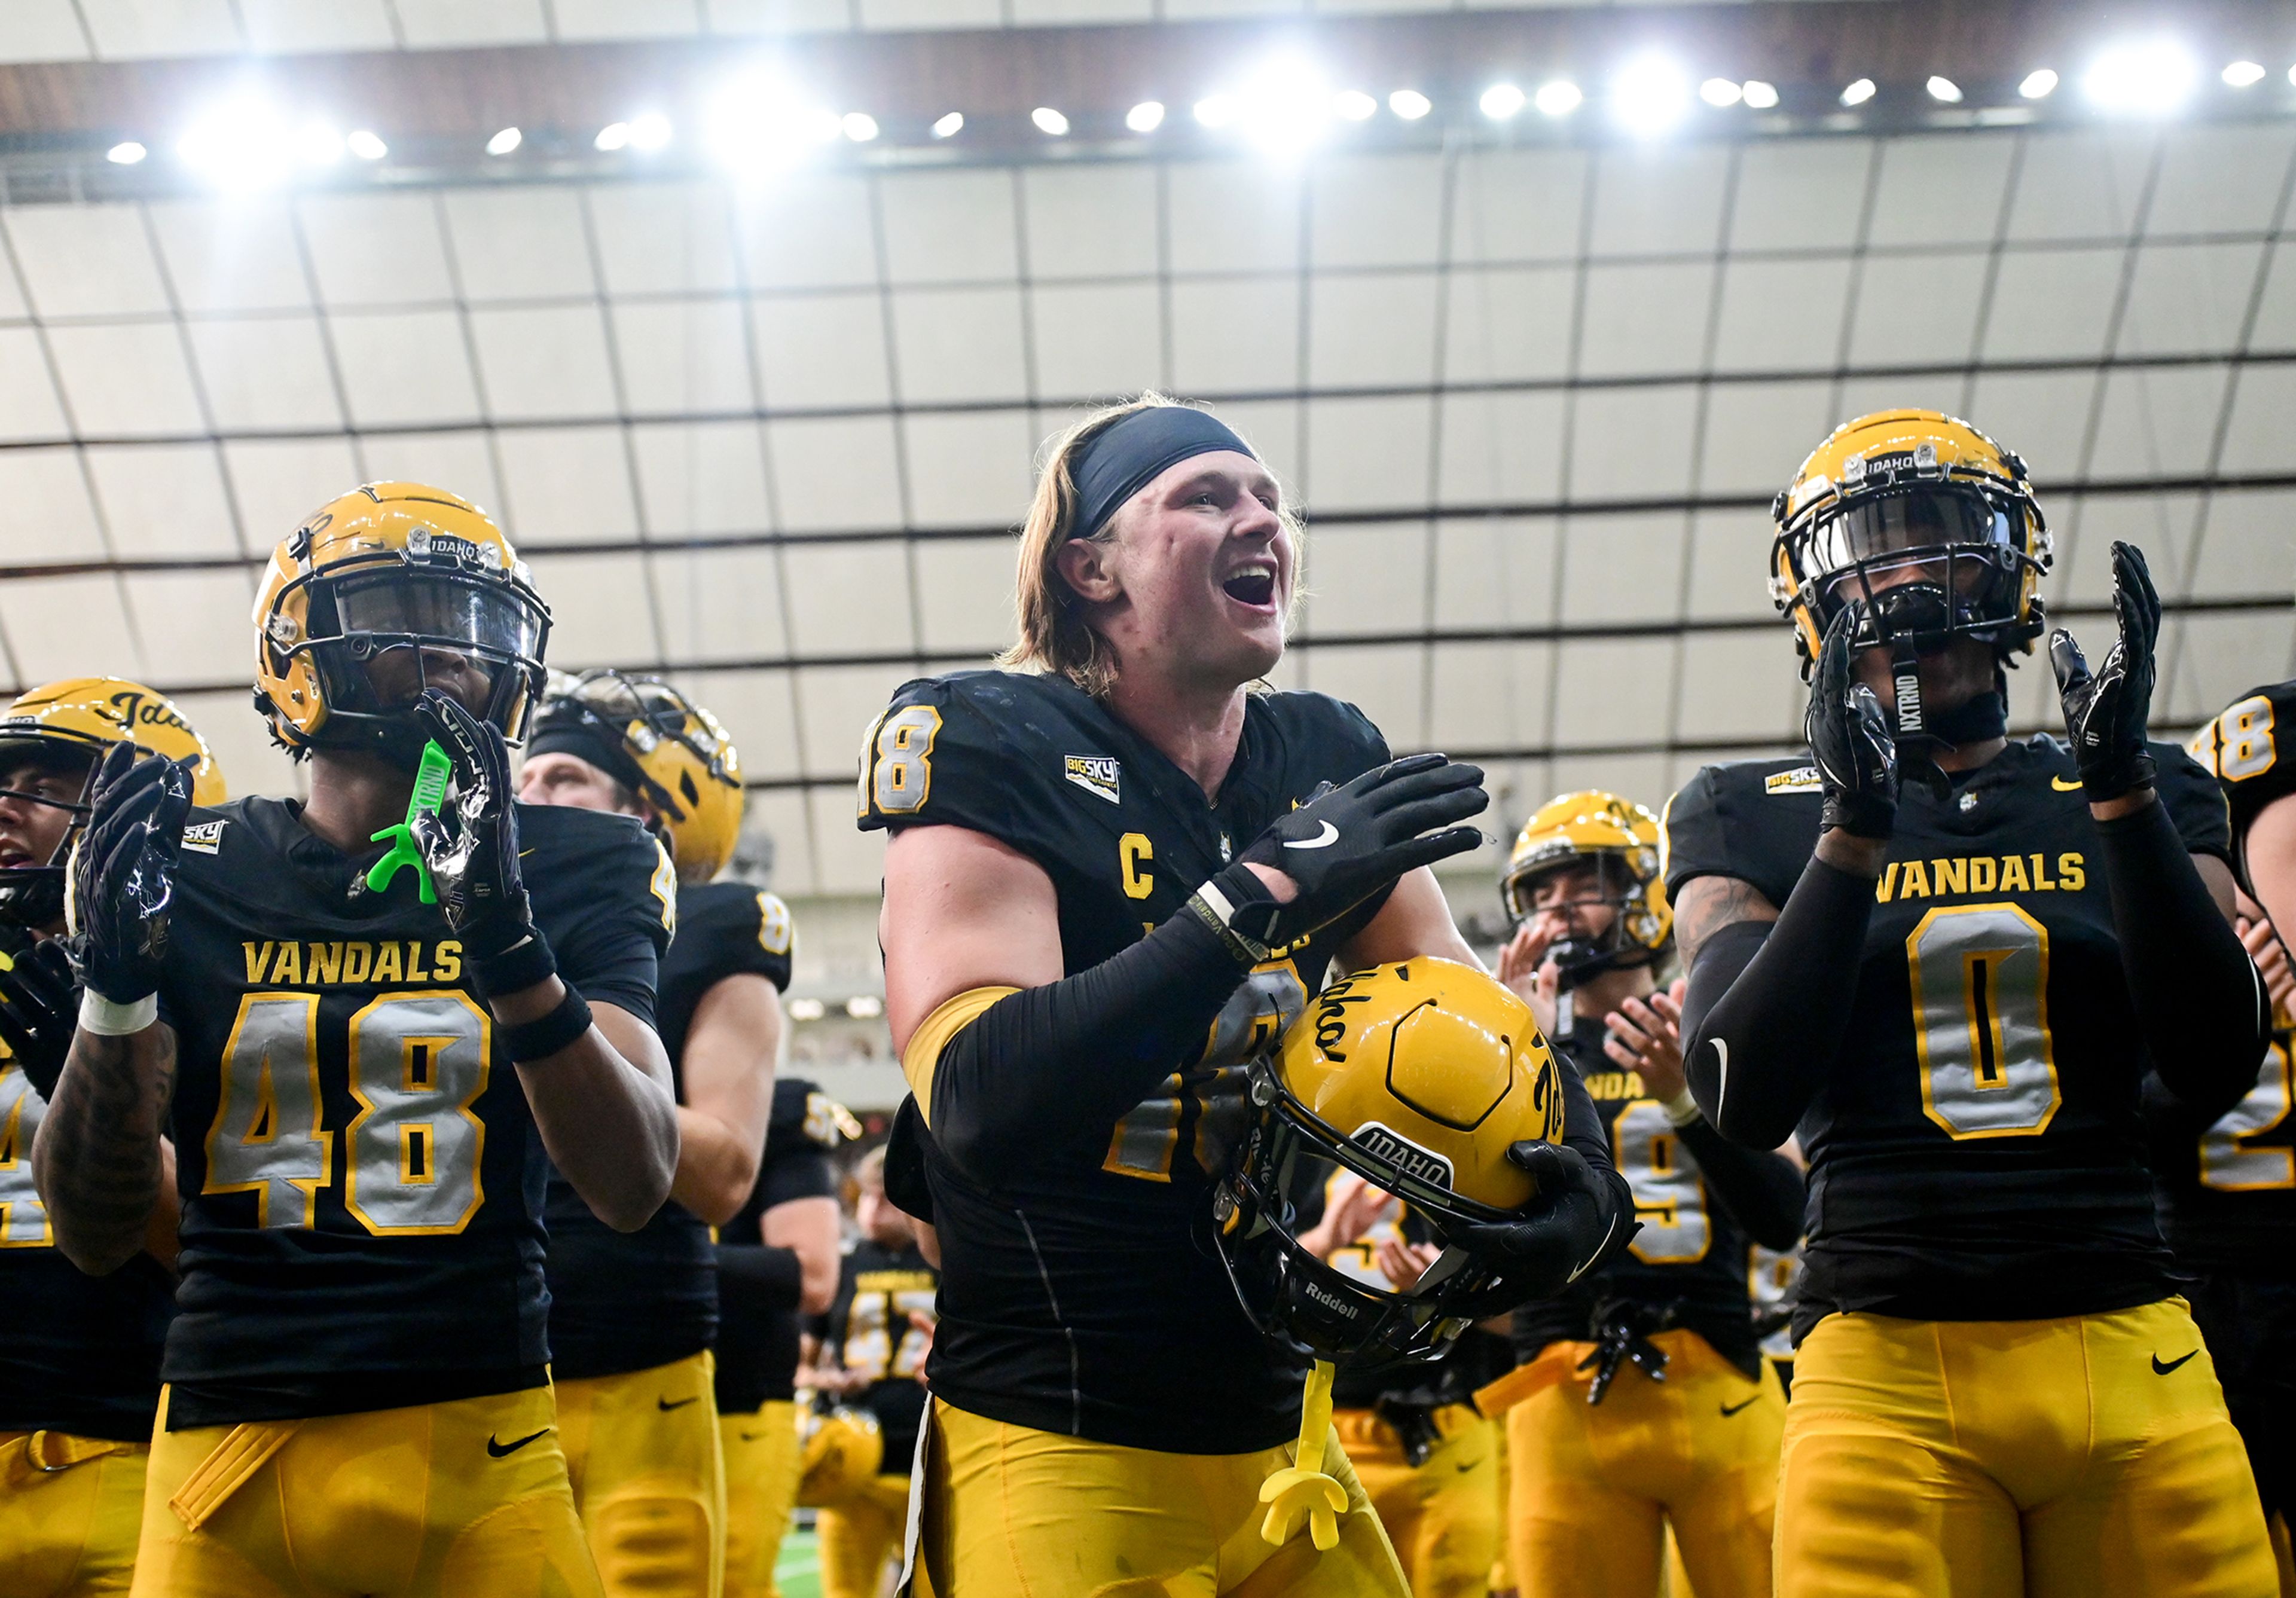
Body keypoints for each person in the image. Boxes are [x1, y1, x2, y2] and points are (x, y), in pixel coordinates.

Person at [862, 394, 1630, 1595]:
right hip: (1062, 1440)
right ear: (1091, 565)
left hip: (1287, 1438)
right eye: (1206, 495)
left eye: (1269, 496)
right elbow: (977, 1094)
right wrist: (1256, 894)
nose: (1258, 515)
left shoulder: (1316, 752)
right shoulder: (989, 733)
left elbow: (1473, 1021)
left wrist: (1576, 1167)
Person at [32, 482, 682, 1598]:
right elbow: (95, 1229)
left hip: (487, 1447)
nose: (455, 651)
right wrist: (117, 991)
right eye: (406, 607)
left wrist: (507, 940)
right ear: (298, 651)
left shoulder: (581, 860)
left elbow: (636, 1177)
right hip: (227, 1456)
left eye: (477, 622)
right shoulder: (192, 867)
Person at [1665, 411, 2277, 1595]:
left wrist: (2125, 800)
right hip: (1882, 1368)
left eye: (1940, 536)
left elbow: (2216, 1055)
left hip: (2131, 1340)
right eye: (1873, 549)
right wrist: (1854, 827)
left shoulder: (2134, 779)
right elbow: (1740, 1088)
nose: (1908, 574)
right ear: (1817, 595)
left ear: (2005, 562)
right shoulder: (1752, 805)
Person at [1485, 792, 1804, 1598]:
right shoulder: (1510, 1041)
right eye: (1541, 892)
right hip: (1563, 1386)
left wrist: (1688, 1103)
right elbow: (1472, 1224)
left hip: (1718, 1377)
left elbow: (1786, 1216)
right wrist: (1515, 1061)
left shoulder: (1712, 1014)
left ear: (1647, 891)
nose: (1557, 910)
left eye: (1580, 883)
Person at [515, 670, 780, 1596]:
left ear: (655, 810)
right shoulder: (459, 921)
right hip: (476, 1368)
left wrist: (566, 1077)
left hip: (641, 1362)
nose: (533, 801)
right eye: (528, 780)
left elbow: (725, 1172)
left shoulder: (712, 925)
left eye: (565, 781)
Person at [0, 679, 222, 1597]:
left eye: (49, 777)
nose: (8, 802)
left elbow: (218, 1256)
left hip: (131, 1455)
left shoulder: (216, 988)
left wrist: (102, 1099)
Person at [1296, 1168, 1512, 1598]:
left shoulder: (1485, 1158)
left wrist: (1452, 1296)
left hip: (1446, 1435)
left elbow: (1530, 1321)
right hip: (1316, 1436)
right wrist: (1322, 1241)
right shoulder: (1301, 1140)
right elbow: (1241, 1283)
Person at [714, 1080, 848, 1598]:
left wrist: (651, 1261)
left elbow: (814, 1277)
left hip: (738, 1399)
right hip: (593, 1384)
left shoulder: (776, 1112)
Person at [806, 1145, 938, 1598]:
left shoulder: (946, 1260)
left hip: (931, 1459)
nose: (871, 1208)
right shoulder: (840, 1266)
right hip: (857, 1464)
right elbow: (801, 1368)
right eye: (866, 1195)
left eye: (884, 1197)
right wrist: (828, 1379)